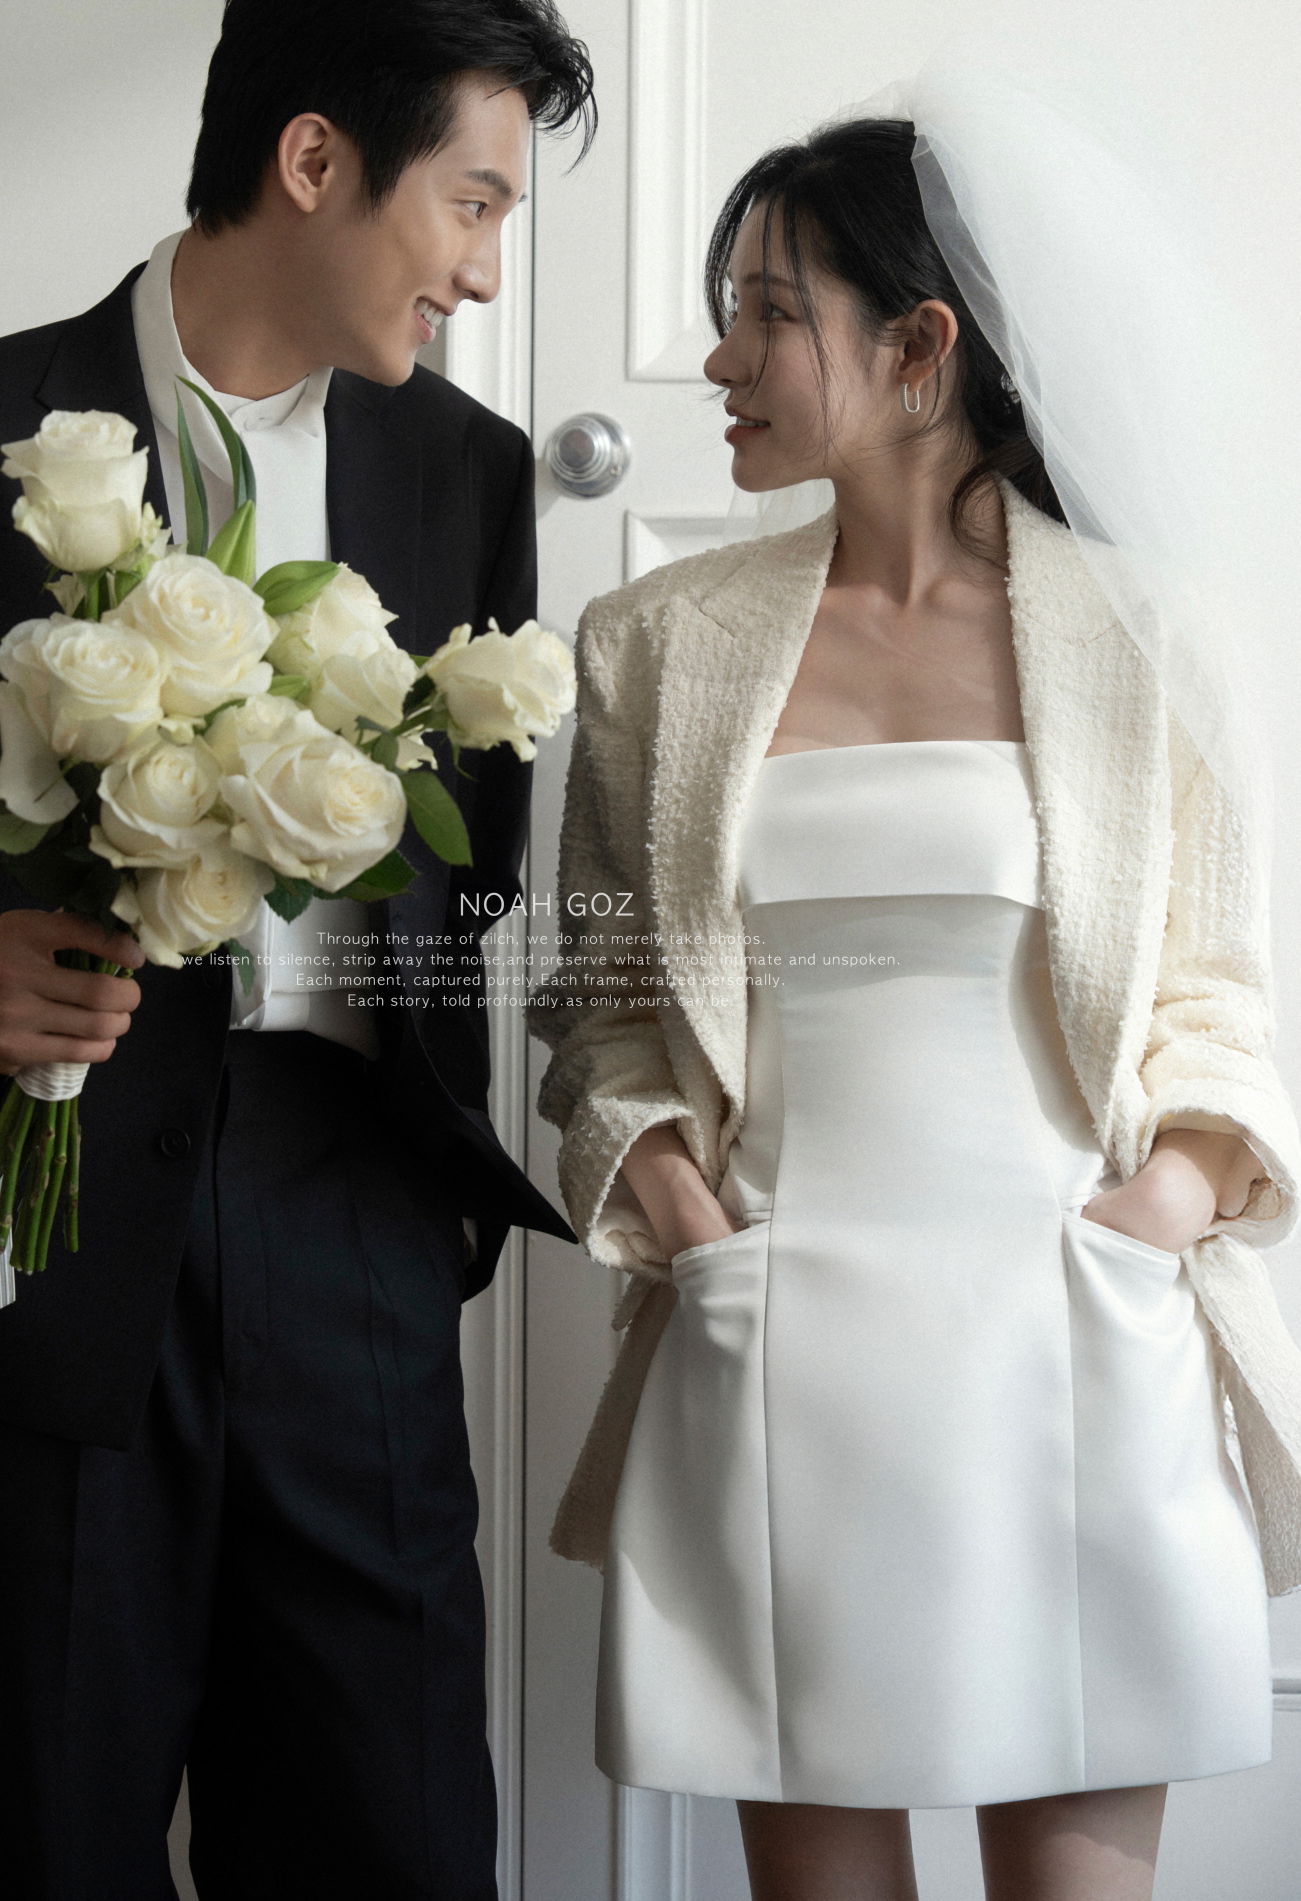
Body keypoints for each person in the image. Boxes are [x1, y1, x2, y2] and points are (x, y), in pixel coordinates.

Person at [0, 3, 592, 1896]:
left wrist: (425, 1218)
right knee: (51, 1845)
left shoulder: (469, 473)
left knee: (397, 1842)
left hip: (356, 1232)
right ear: (313, 162)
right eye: (473, 204)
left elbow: (471, 879)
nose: (485, 273)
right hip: (33, 1233)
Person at [531, 82, 1301, 1901]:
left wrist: (1155, 1213)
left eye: (765, 312)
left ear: (917, 349)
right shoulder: (652, 644)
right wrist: (685, 1217)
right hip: (772, 1336)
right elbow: (604, 1004)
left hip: (1073, 1329)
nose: (718, 358)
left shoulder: (1143, 634)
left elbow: (1210, 995)